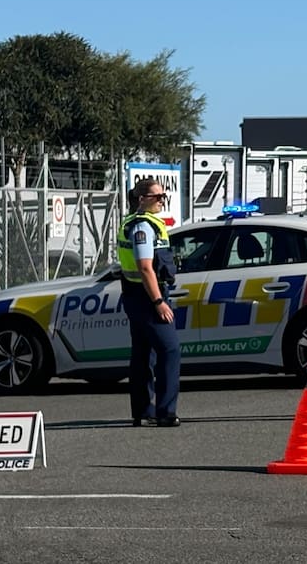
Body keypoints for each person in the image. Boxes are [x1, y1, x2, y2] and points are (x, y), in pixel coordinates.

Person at [117, 179, 181, 427]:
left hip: (136, 296)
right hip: (146, 297)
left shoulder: (139, 223)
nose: (162, 200)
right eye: (158, 197)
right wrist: (158, 302)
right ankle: (165, 412)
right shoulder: (142, 226)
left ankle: (144, 411)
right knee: (170, 349)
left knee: (144, 354)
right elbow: (145, 268)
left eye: (163, 196)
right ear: (142, 198)